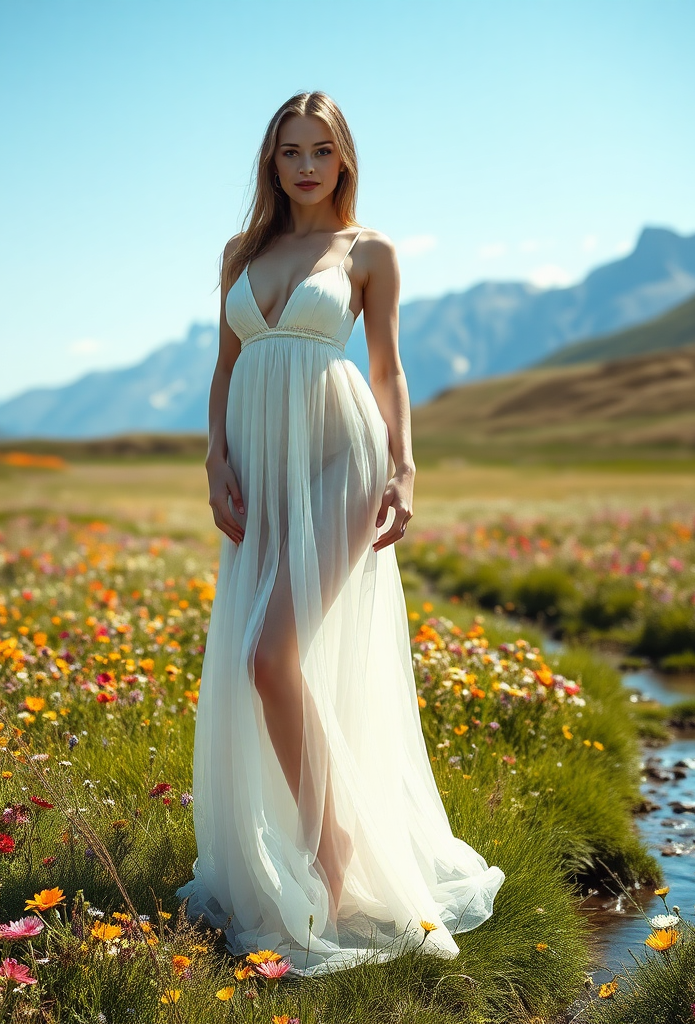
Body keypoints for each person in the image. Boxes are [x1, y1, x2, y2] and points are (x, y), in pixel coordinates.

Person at [175, 90, 505, 977]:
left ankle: (335, 856)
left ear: (345, 159)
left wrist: (405, 468)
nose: (308, 165)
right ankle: (317, 839)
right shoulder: (241, 255)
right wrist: (216, 460)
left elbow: (390, 370)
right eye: (291, 151)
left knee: (268, 657)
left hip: (338, 459)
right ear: (272, 163)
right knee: (270, 657)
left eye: (323, 150)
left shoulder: (369, 253)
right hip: (259, 469)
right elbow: (225, 371)